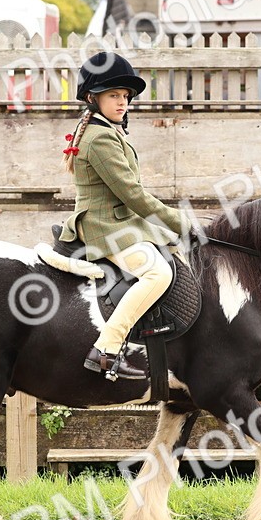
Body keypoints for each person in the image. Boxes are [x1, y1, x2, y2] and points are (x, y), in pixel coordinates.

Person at [58, 51, 188, 380]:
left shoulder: (106, 130)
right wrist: (180, 222)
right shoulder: (100, 138)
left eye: (125, 96)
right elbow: (132, 194)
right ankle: (108, 348)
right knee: (157, 274)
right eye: (114, 95)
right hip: (103, 226)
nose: (122, 103)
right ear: (93, 98)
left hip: (119, 220)